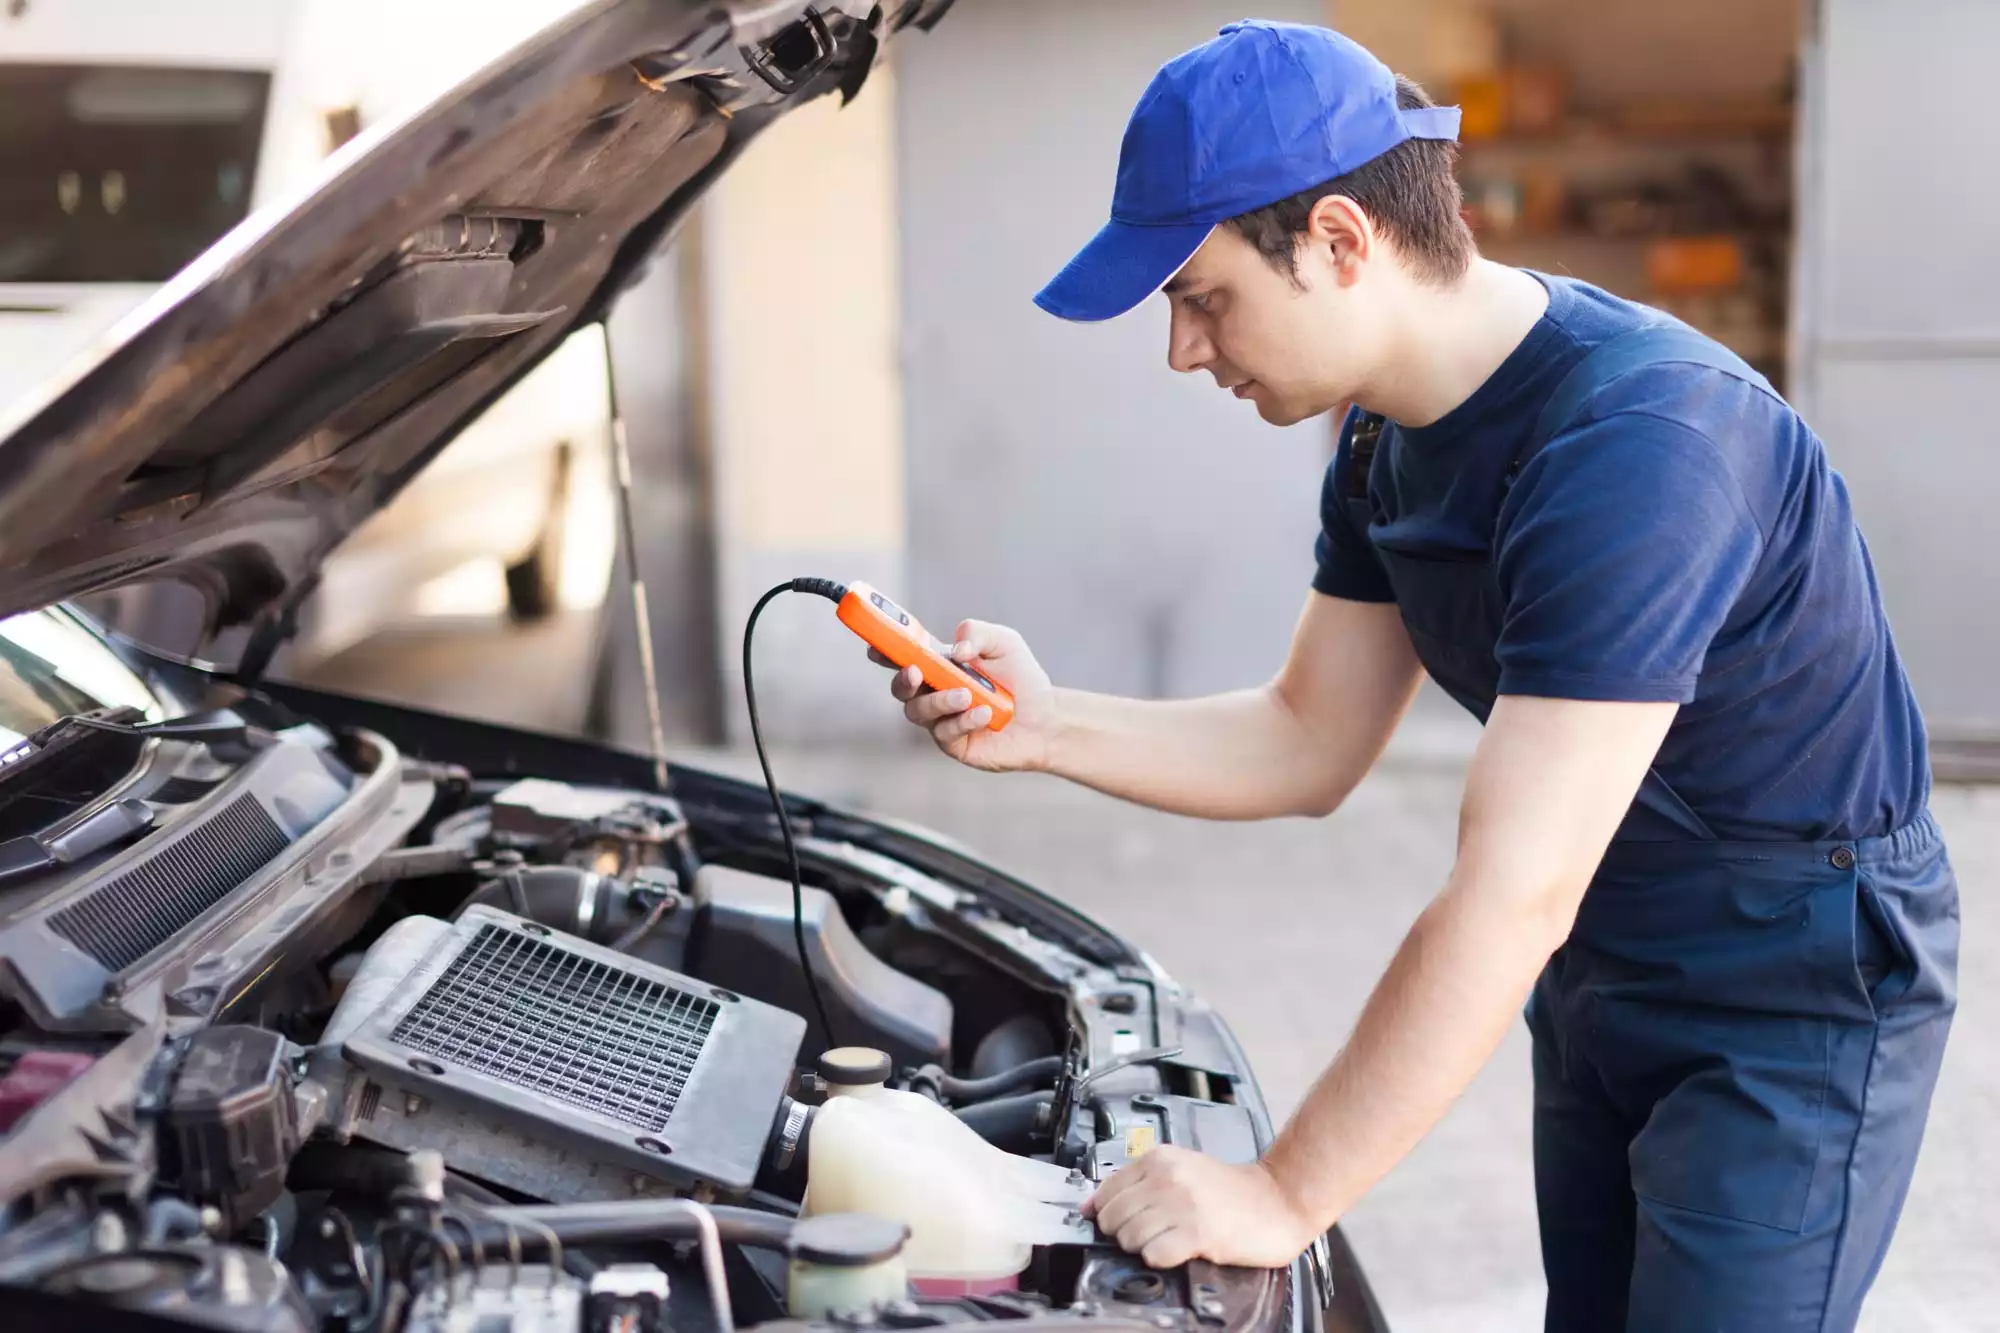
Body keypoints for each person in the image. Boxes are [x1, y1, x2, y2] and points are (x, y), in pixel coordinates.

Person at [872, 20, 1959, 1333]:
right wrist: (1048, 727)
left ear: (1341, 241)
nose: (1184, 350)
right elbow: (1307, 738)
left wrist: (1282, 1192)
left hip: (1791, 985)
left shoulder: (1642, 448)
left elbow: (1512, 892)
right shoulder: (1385, 438)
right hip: (1609, 949)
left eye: (1201, 295)